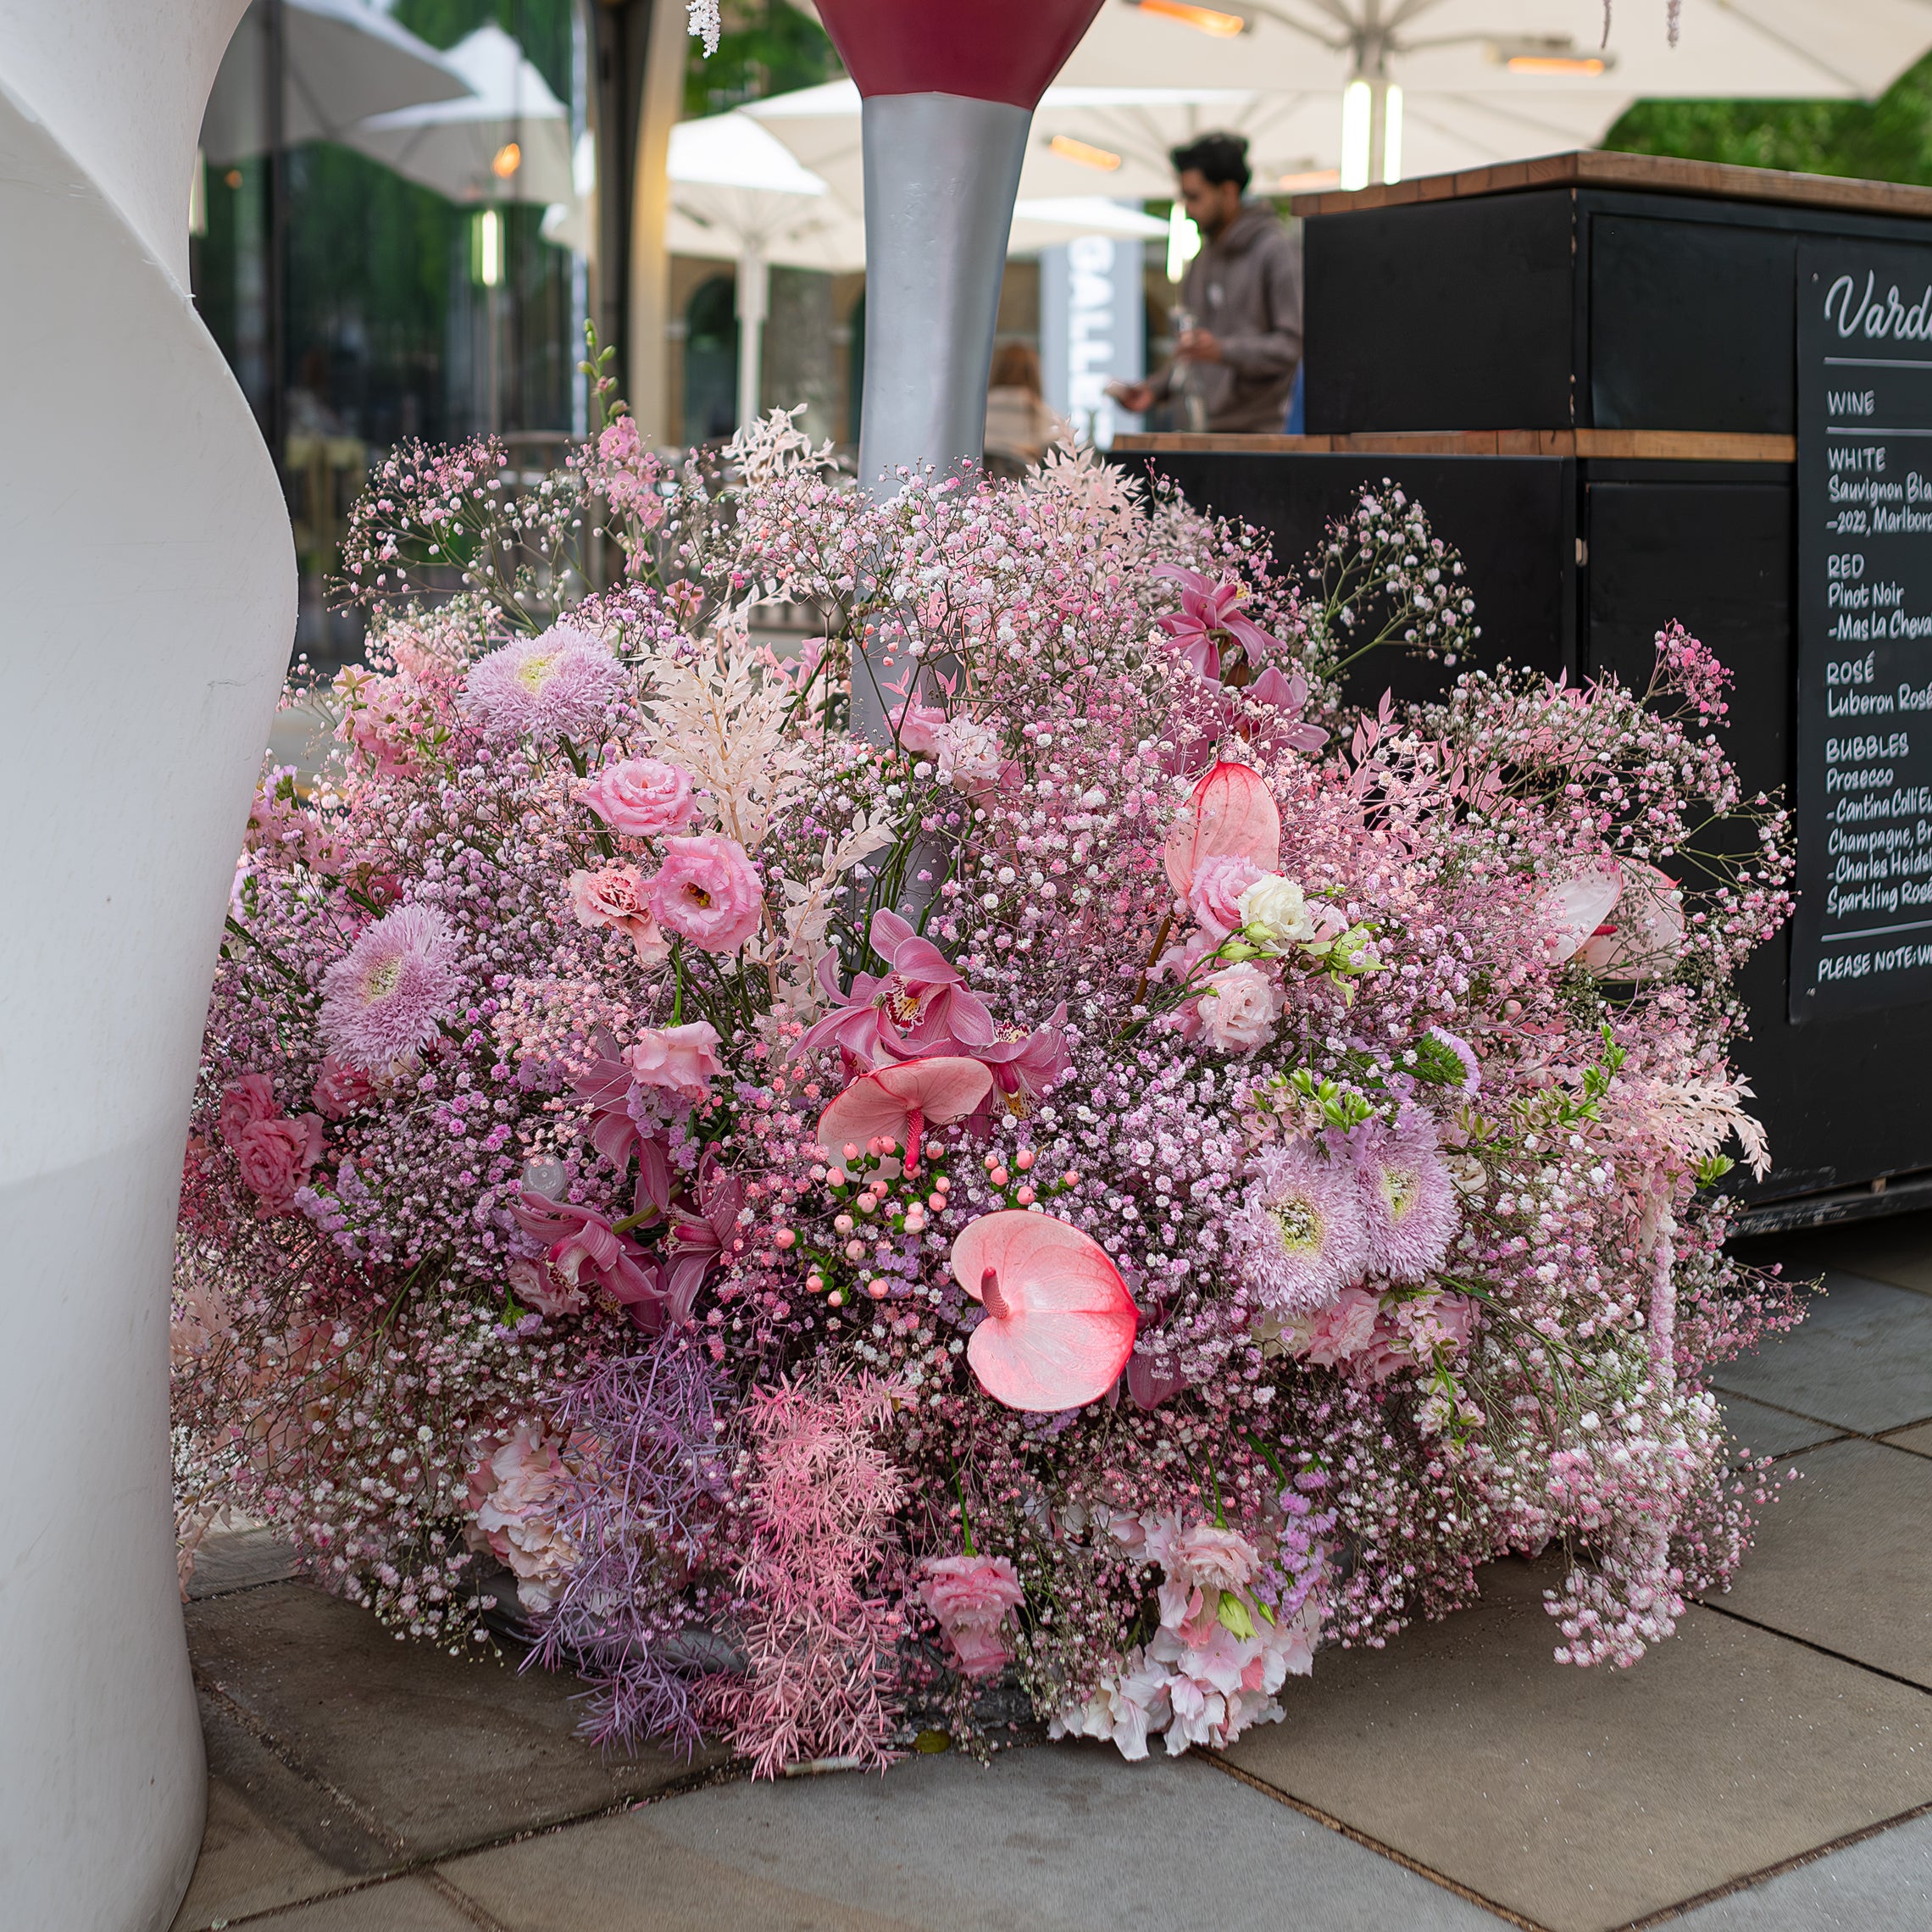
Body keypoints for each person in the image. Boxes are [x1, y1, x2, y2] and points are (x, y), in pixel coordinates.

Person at [1108, 132, 1302, 435]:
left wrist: (1222, 350)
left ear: (1228, 192)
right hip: (1199, 434)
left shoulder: (1274, 251)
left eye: (1194, 197)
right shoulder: (1201, 260)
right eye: (1184, 197)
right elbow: (1193, 351)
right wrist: (1155, 389)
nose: (1186, 208)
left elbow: (1291, 346)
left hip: (1259, 437)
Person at [984, 341, 1070, 476]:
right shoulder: (1049, 420)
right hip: (1027, 493)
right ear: (1034, 374)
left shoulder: (975, 421)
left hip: (976, 494)